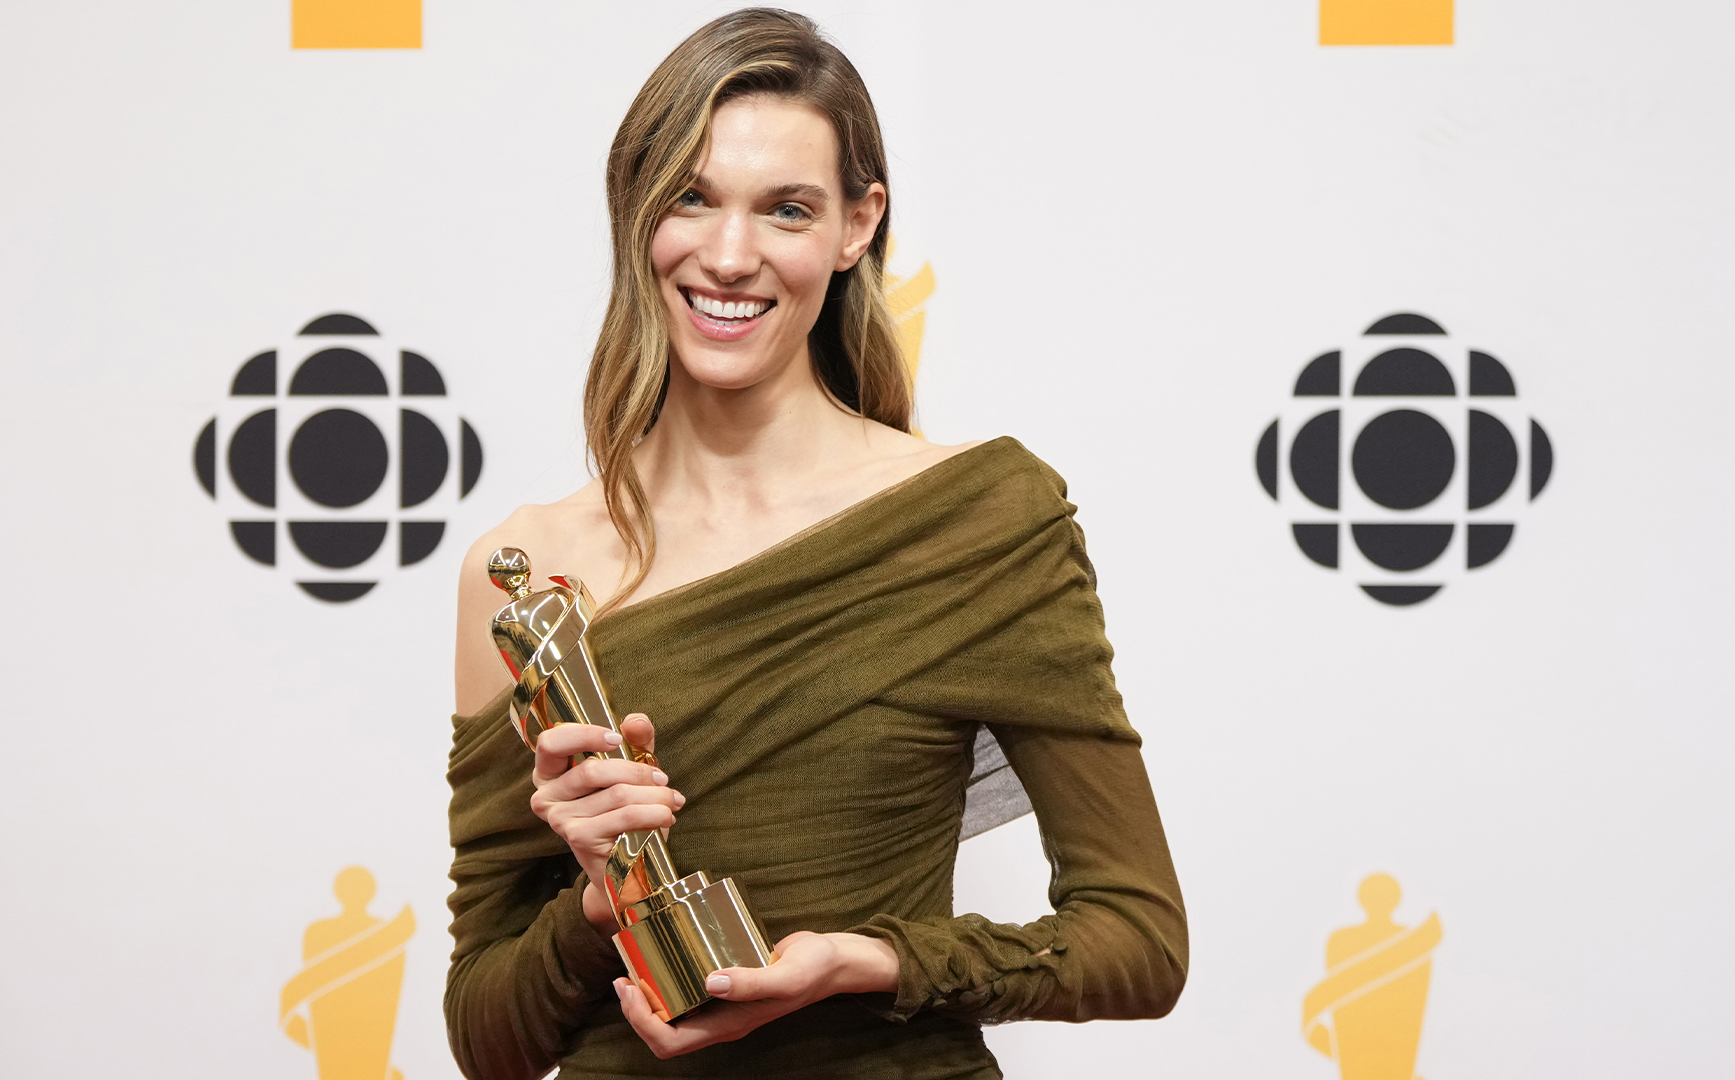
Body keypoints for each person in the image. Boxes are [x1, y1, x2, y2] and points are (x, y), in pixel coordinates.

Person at [444, 9, 1186, 1078]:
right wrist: (598, 902)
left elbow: (1141, 943)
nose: (730, 255)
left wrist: (861, 961)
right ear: (636, 212)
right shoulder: (522, 575)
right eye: (691, 198)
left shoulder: (977, 523)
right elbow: (486, 1041)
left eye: (786, 208)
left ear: (855, 226)